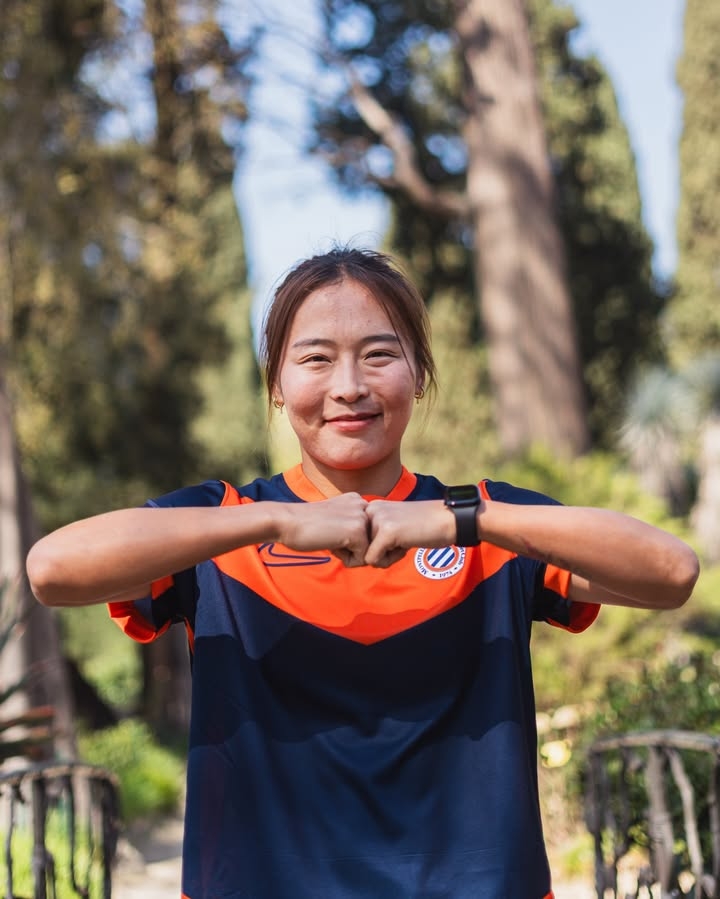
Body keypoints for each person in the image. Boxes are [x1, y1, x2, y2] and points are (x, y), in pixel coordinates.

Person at [26, 247, 699, 899]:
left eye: (379, 354)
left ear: (420, 374)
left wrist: (463, 520)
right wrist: (273, 522)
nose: (349, 386)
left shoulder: (487, 528)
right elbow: (52, 570)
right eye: (315, 358)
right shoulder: (222, 528)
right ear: (276, 386)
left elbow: (672, 572)